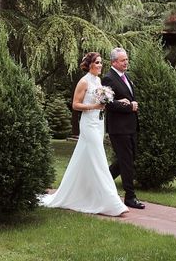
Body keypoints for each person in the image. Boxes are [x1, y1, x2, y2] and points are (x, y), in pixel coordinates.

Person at [39, 52, 128, 216]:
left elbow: (102, 103)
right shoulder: (84, 81)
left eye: (101, 62)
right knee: (100, 159)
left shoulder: (98, 81)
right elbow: (75, 105)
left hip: (99, 122)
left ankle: (82, 193)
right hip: (88, 124)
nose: (100, 65)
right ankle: (112, 202)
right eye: (97, 63)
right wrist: (93, 107)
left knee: (85, 158)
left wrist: (116, 102)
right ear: (89, 65)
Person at [102, 47, 145, 210]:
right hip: (118, 128)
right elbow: (108, 103)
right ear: (114, 62)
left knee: (126, 160)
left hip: (130, 126)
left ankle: (102, 182)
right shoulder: (108, 79)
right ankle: (130, 197)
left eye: (126, 59)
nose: (126, 62)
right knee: (126, 161)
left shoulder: (126, 76)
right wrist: (129, 107)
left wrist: (131, 106)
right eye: (122, 60)